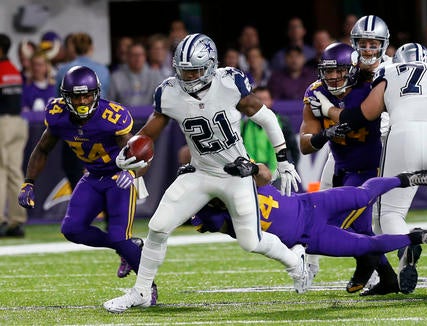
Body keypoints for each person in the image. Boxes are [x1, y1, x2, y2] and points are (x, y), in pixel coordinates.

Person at [103, 33, 303, 313]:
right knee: (158, 227)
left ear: (210, 65)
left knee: (251, 241)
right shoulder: (169, 91)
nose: (187, 77)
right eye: (182, 70)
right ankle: (141, 291)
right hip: (200, 172)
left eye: (194, 70)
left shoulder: (229, 82)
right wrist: (131, 150)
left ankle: (295, 261)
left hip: (235, 173)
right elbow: (150, 132)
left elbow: (267, 117)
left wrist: (283, 159)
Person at [335, 43, 427, 298]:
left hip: (405, 137)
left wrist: (335, 113)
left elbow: (367, 113)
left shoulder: (390, 71)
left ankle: (407, 242)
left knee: (389, 212)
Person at [191, 159, 427, 288]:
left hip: (311, 204)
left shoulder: (234, 177)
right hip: (310, 238)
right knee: (366, 245)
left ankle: (405, 179)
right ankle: (417, 237)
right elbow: (219, 227)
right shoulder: (214, 215)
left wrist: (248, 167)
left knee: (363, 194)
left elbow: (265, 173)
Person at [17, 65, 158, 303]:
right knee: (72, 230)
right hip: (93, 176)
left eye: (87, 95)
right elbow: (42, 148)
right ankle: (126, 248)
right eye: (76, 96)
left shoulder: (112, 116)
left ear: (97, 93)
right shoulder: (57, 113)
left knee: (119, 236)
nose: (82, 101)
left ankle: (148, 287)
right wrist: (28, 182)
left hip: (118, 178)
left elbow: (140, 155)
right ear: (65, 96)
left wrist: (132, 174)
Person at [300, 41, 394, 295]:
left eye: (339, 70)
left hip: (371, 166)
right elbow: (305, 144)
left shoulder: (369, 88)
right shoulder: (316, 92)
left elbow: (362, 117)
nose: (332, 76)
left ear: (352, 68)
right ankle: (386, 277)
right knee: (359, 228)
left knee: (341, 224)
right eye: (328, 71)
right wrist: (324, 134)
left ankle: (369, 263)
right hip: (342, 168)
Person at [55, 32, 112, 189]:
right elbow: (108, 99)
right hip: (100, 126)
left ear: (73, 47)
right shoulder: (104, 71)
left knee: (72, 170)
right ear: (91, 48)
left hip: (72, 126)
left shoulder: (63, 70)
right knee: (103, 169)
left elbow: (58, 101)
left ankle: (81, 203)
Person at [0, 33, 29, 237]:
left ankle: (1, 220)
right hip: (19, 123)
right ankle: (16, 221)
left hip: (3, 123)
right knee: (15, 172)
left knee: (0, 171)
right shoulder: (13, 70)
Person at [241, 86, 300, 173]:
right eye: (258, 99)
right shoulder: (244, 123)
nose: (262, 103)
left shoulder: (282, 122)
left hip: (277, 174)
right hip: (251, 173)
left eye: (265, 99)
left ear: (271, 101)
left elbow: (293, 148)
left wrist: (291, 169)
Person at [108, 42, 163, 107]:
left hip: (150, 115)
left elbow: (162, 102)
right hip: (123, 115)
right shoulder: (116, 77)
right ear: (127, 57)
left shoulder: (156, 76)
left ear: (145, 57)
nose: (138, 58)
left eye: (140, 55)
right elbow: (110, 102)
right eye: (134, 55)